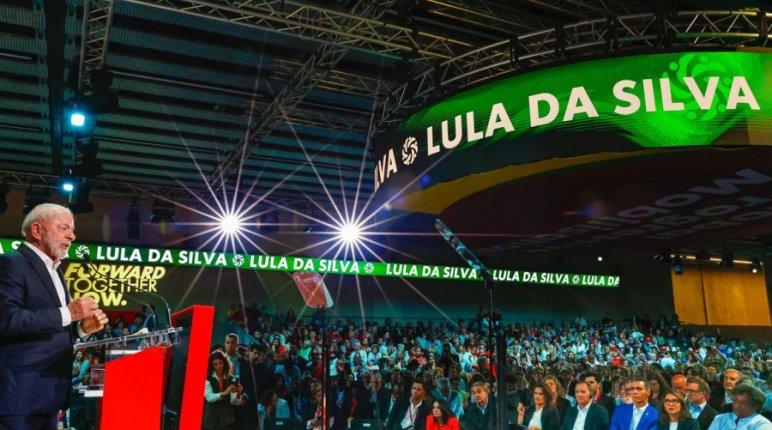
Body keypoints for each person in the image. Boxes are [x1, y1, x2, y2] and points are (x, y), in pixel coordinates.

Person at [0, 203, 108, 429]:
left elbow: (51, 331)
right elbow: (6, 320)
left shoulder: (55, 270)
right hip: (18, 398)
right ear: (37, 230)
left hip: (48, 397)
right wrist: (69, 312)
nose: (72, 236)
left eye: (72, 230)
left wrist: (81, 329)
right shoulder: (10, 263)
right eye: (63, 228)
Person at [203, 350, 244, 430]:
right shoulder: (208, 378)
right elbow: (209, 397)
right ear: (212, 365)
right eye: (215, 364)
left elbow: (234, 402)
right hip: (210, 419)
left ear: (224, 362)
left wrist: (238, 394)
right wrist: (224, 393)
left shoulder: (231, 378)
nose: (219, 366)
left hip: (226, 420)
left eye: (220, 363)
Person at [707, 383, 772, 430]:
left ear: (756, 406)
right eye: (735, 401)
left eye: (744, 403)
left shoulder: (763, 425)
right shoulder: (720, 418)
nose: (738, 405)